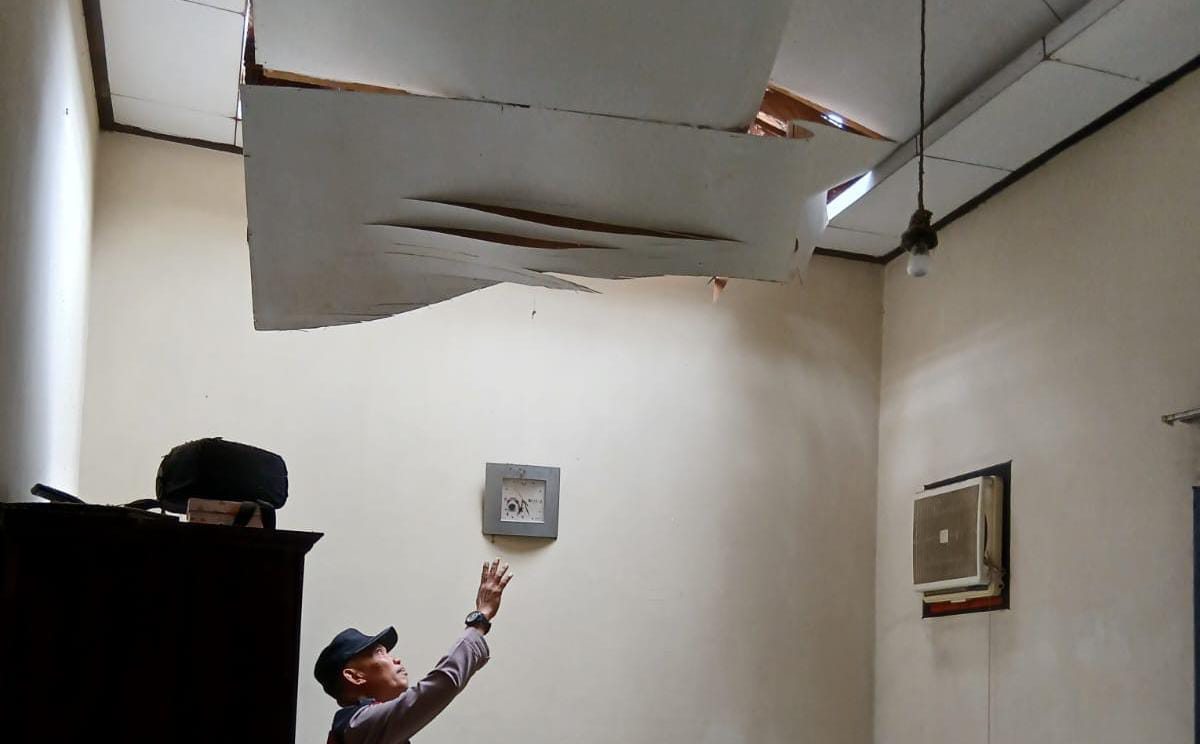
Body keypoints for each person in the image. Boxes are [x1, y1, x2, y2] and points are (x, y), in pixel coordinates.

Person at [314, 558, 514, 744]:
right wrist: (480, 619)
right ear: (354, 676)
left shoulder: (366, 729)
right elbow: (440, 684)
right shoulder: (358, 724)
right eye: (380, 652)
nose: (396, 660)